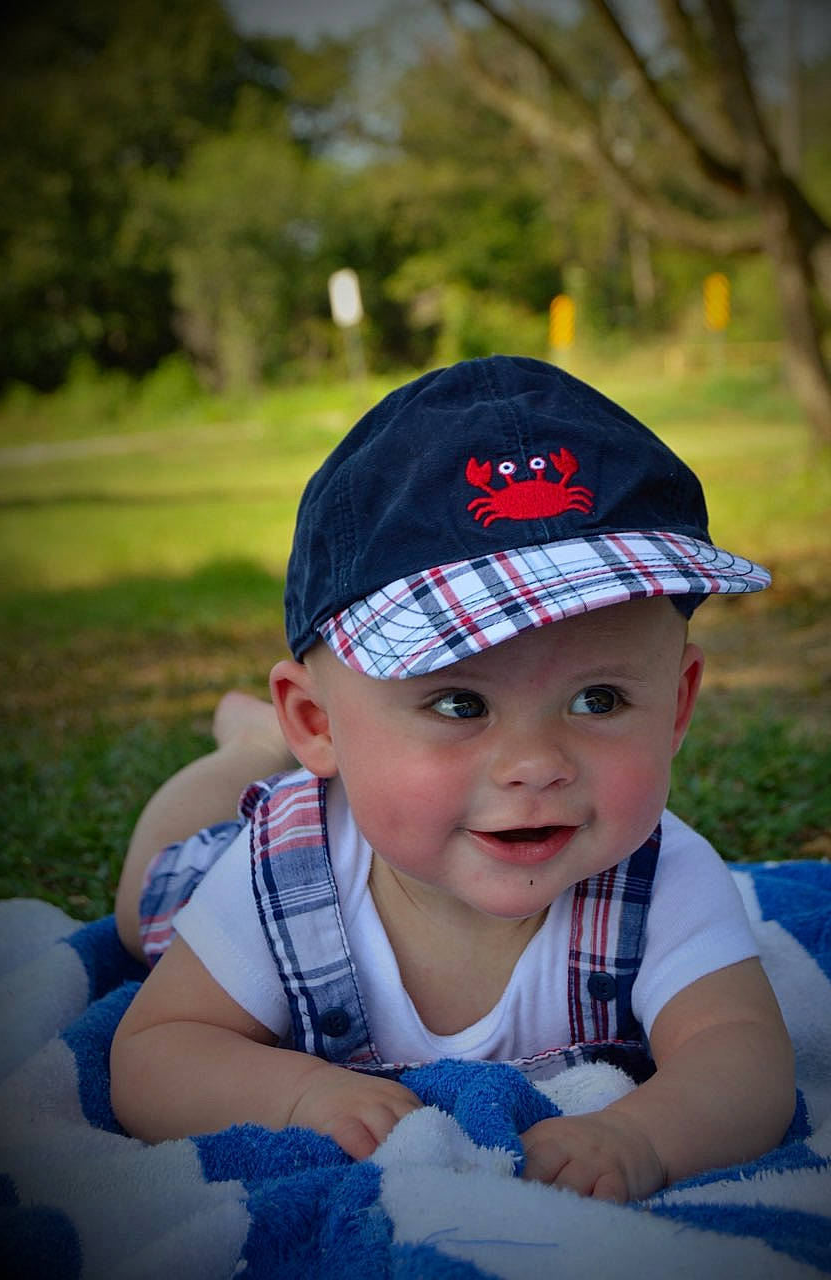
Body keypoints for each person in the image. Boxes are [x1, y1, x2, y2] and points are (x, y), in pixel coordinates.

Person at [110, 355, 795, 1204]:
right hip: (263, 847)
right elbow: (154, 1053)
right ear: (318, 723)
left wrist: (640, 1136)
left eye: (599, 697)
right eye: (460, 703)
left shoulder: (661, 879)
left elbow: (743, 1056)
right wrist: (298, 1093)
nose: (535, 763)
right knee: (145, 906)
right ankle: (249, 750)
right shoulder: (274, 875)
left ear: (679, 705)